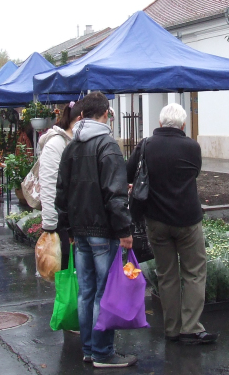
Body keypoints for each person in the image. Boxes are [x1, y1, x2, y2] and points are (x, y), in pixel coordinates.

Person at [55, 92, 137, 369]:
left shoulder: (71, 147)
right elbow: (115, 194)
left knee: (86, 292)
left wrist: (67, 226)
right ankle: (103, 353)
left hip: (80, 231)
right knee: (104, 292)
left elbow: (62, 192)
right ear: (105, 113)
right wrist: (125, 230)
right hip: (102, 231)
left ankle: (89, 349)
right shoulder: (107, 145)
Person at [126, 103, 217, 345]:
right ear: (183, 125)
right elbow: (194, 173)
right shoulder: (192, 147)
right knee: (195, 272)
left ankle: (172, 329)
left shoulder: (145, 145)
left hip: (156, 221)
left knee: (166, 275)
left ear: (160, 123)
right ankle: (191, 327)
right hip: (187, 220)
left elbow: (127, 173)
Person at [39, 101, 83, 269]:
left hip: (74, 222)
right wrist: (51, 225)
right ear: (80, 119)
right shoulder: (56, 144)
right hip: (62, 223)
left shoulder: (75, 142)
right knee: (65, 269)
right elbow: (49, 184)